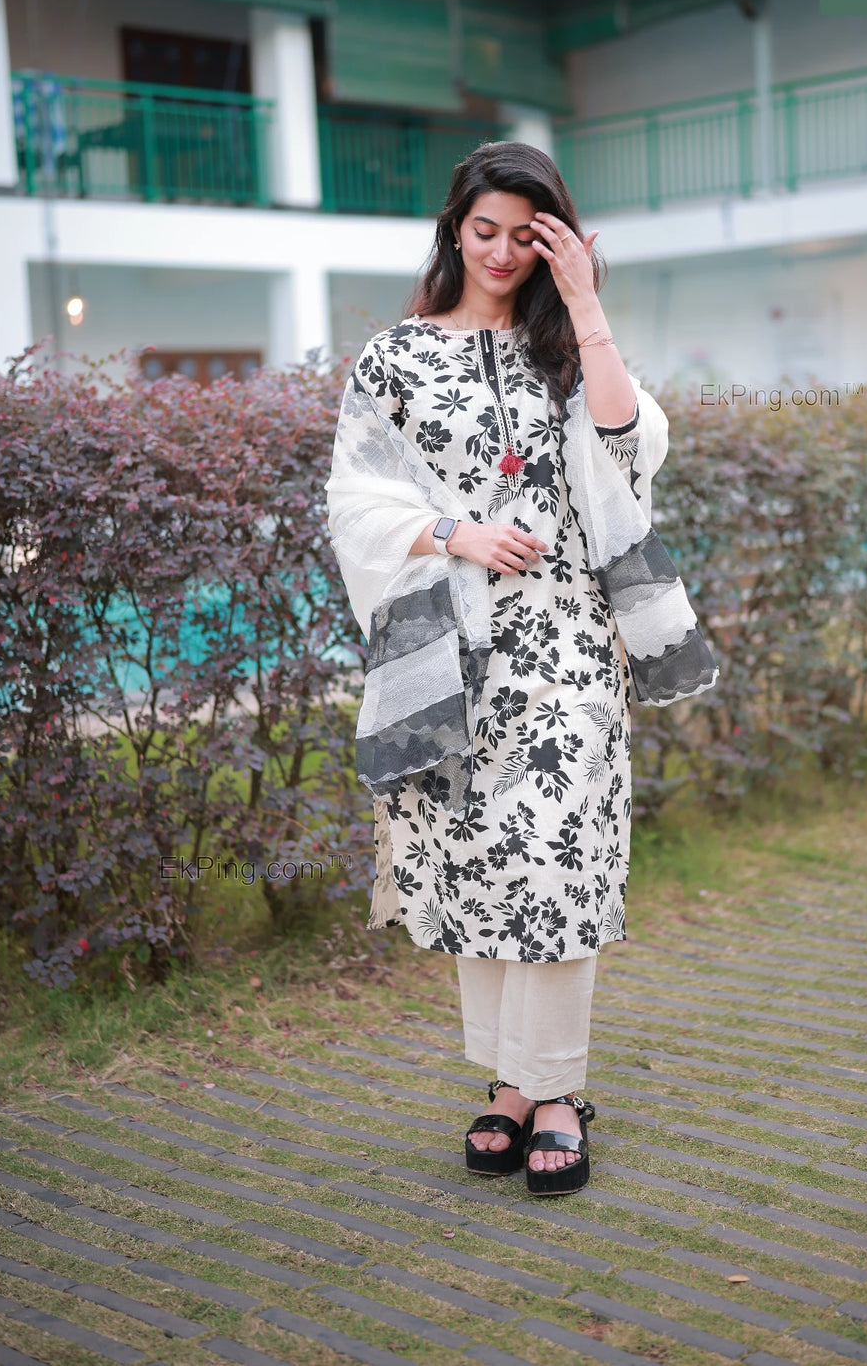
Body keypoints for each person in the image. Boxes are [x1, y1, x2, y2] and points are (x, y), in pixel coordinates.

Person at [325, 141, 716, 1196]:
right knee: (479, 867)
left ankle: (557, 1093)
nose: (499, 252)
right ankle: (508, 1083)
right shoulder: (394, 356)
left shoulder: (564, 347)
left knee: (553, 860)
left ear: (551, 239)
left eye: (522, 234)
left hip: (568, 646)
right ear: (454, 228)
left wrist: (585, 304)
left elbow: (632, 444)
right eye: (483, 229)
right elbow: (353, 499)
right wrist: (452, 528)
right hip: (451, 649)